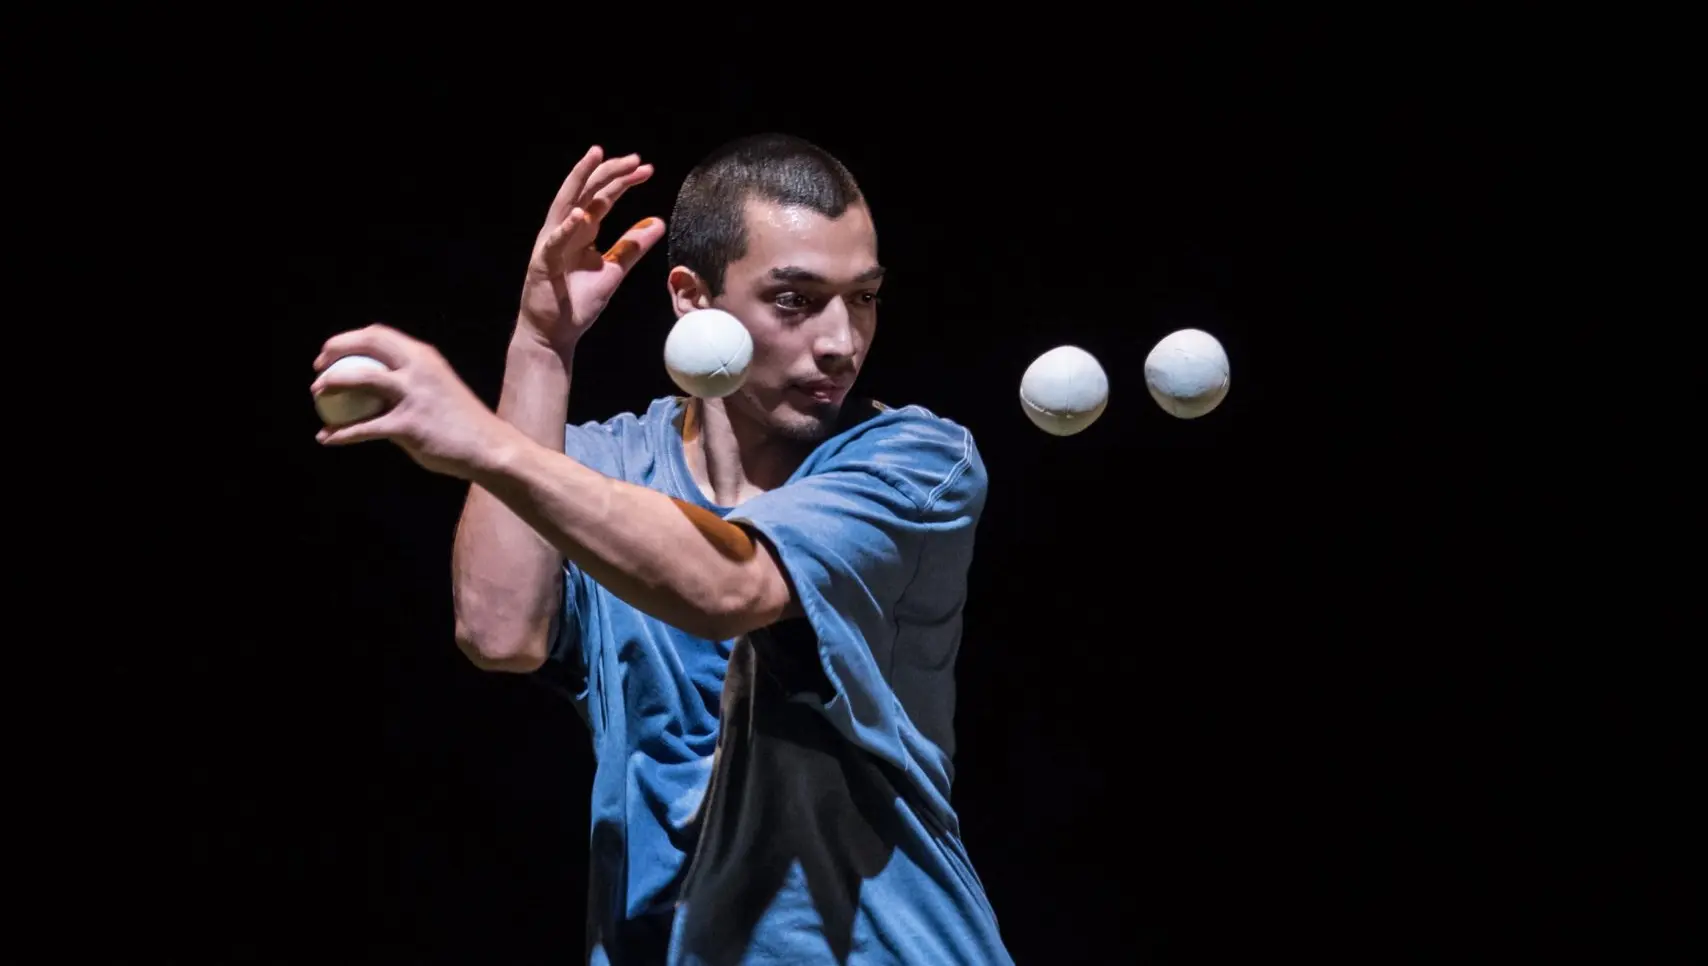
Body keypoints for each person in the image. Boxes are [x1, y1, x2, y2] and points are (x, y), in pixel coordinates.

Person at [310, 133, 1013, 965]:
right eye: (795, 299)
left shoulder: (914, 463)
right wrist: (541, 347)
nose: (840, 342)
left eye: (862, 299)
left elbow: (726, 587)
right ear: (693, 299)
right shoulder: (600, 470)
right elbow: (500, 632)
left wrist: (483, 443)